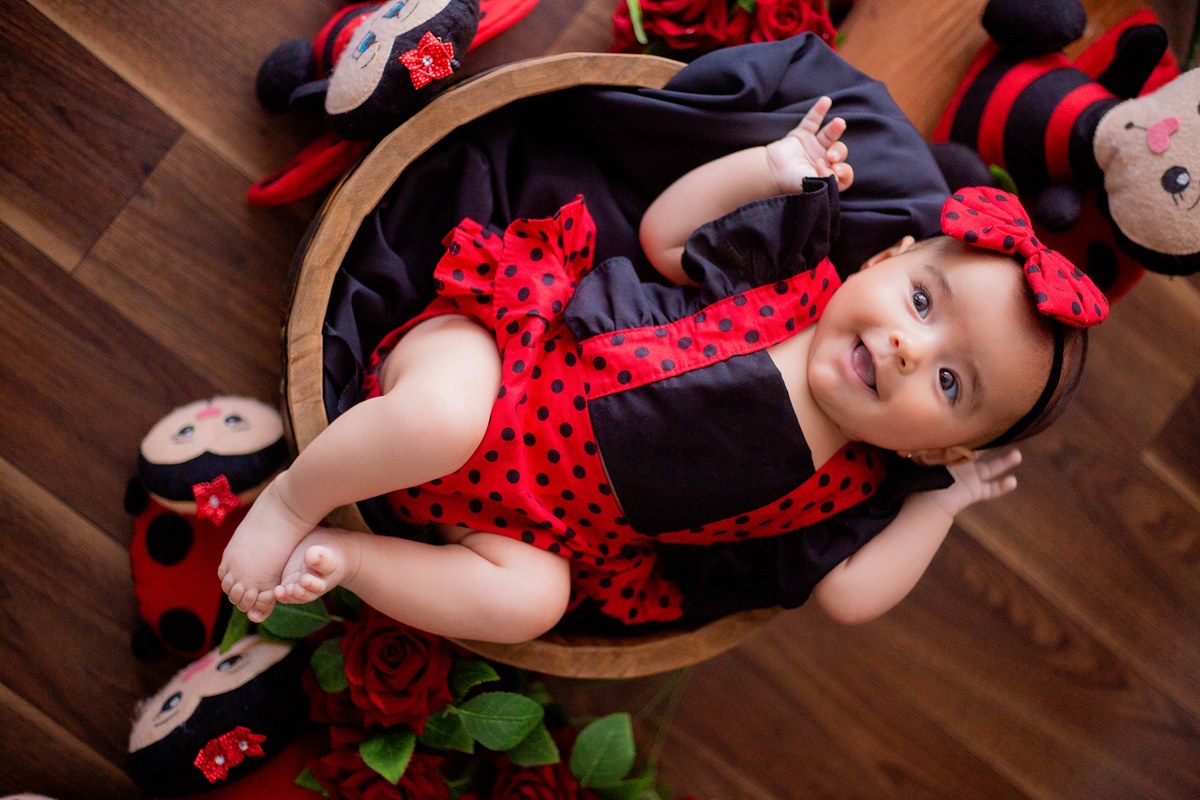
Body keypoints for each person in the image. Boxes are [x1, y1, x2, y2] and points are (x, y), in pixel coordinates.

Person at [219, 97, 1106, 642]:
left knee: (533, 602)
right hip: (503, 366)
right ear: (883, 263)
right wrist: (769, 167)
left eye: (951, 386)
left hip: (534, 529)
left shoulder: (854, 484)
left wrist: (942, 506)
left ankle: (348, 556)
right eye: (922, 302)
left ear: (931, 452)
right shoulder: (796, 272)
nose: (914, 350)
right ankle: (295, 499)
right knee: (440, 422)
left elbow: (850, 596)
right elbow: (665, 237)